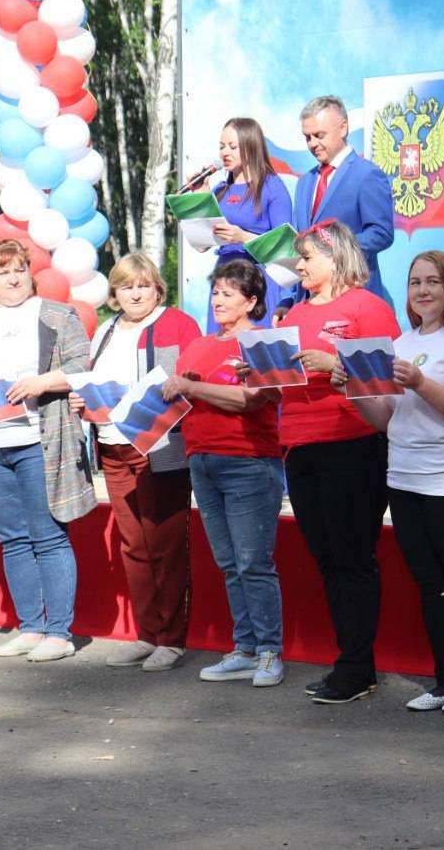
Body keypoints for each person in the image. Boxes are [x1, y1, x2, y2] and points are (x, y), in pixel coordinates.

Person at [338, 251, 444, 715]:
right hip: (406, 478)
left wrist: (420, 381)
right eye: (415, 282)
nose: (423, 291)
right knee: (431, 585)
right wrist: (352, 389)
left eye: (433, 282)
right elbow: (385, 419)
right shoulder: (401, 343)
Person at [0, 239, 96, 662]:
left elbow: (82, 366)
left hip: (37, 441)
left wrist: (41, 383)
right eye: (2, 272)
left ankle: (59, 633)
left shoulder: (56, 314)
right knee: (12, 539)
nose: (12, 278)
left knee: (48, 536)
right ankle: (30, 628)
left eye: (19, 270)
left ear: (30, 274)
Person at [273, 220, 400, 704]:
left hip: (353, 441)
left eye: (306, 257)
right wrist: (260, 372)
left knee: (352, 558)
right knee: (328, 559)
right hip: (300, 445)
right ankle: (350, 662)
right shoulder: (293, 314)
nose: (299, 266)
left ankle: (356, 668)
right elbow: (280, 387)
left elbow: (386, 377)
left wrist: (334, 366)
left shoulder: (368, 307)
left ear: (335, 258)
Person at [74, 253, 200, 672]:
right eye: (127, 286)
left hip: (158, 450)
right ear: (114, 292)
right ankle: (146, 634)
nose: (135, 293)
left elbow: (193, 382)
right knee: (134, 547)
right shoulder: (106, 330)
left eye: (144, 285)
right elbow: (95, 384)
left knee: (165, 545)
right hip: (113, 449)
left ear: (158, 289)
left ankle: (172, 639)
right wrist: (81, 401)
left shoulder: (178, 324)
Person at [163, 260, 286, 687]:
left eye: (228, 294)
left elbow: (249, 400)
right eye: (216, 292)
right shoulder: (198, 345)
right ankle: (245, 649)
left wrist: (191, 387)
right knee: (230, 563)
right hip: (202, 460)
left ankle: (269, 651)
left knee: (254, 562)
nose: (217, 300)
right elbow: (183, 395)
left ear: (251, 302)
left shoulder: (262, 344)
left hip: (249, 462)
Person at [274, 95, 395, 322]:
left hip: (350, 297)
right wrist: (287, 299)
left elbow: (382, 233)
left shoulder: (367, 174)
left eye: (319, 135)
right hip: (307, 303)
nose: (312, 144)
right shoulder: (305, 182)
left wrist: (332, 249)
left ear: (343, 128)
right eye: (307, 137)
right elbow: (298, 245)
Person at [201, 117, 293, 331]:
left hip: (256, 280)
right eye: (222, 147)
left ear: (251, 146)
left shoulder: (272, 187)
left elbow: (286, 250)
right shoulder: (220, 189)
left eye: (233, 147)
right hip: (224, 278)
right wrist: (201, 195)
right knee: (221, 345)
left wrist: (243, 237)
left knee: (255, 344)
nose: (225, 153)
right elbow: (202, 244)